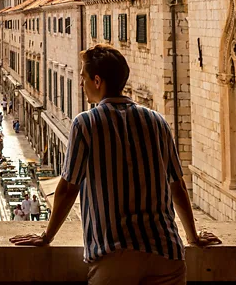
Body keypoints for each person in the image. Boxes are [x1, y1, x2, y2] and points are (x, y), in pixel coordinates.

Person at [11, 44, 219, 285]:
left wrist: (47, 237)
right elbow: (178, 186)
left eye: (83, 78)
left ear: (97, 81)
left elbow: (68, 189)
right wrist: (192, 236)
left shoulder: (85, 124)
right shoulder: (158, 121)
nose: (81, 84)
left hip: (114, 256)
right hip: (167, 254)